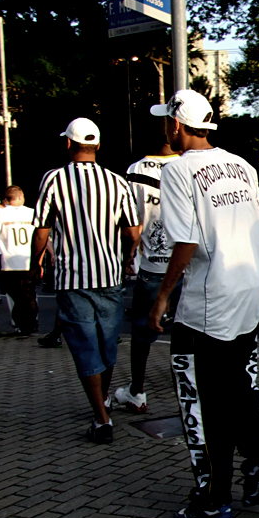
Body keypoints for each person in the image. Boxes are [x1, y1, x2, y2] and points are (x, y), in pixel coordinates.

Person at [146, 89, 259, 518]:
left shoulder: (178, 170)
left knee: (207, 401)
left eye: (168, 121)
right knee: (240, 381)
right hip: (249, 287)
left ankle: (214, 503)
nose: (167, 128)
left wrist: (163, 296)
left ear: (178, 126)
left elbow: (184, 241)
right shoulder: (241, 165)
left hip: (210, 297)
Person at [30, 118, 141, 444]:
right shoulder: (117, 182)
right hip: (109, 275)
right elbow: (132, 232)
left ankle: (101, 416)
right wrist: (126, 257)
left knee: (84, 346)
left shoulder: (54, 180)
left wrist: (35, 263)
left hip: (71, 277)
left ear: (68, 144)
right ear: (98, 146)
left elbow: (42, 230)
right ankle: (102, 402)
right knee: (107, 344)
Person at [111, 137, 183, 414]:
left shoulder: (135, 171)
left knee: (142, 330)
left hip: (153, 263)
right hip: (190, 264)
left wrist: (128, 254)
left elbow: (130, 220)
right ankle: (188, 387)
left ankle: (138, 390)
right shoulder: (190, 165)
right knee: (187, 328)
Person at [0, 186, 38, 334]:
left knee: (15, 296)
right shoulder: (32, 212)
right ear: (20, 197)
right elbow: (41, 235)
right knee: (30, 293)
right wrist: (47, 255)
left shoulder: (1, 213)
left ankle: (20, 323)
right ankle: (32, 320)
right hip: (28, 260)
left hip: (9, 262)